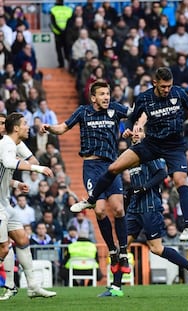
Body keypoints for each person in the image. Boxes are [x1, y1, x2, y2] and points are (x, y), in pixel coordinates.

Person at [70, 67, 188, 242]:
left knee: (181, 181)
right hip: (151, 144)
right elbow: (132, 117)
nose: (167, 90)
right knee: (114, 167)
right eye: (164, 86)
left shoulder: (178, 93)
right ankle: (91, 199)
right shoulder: (144, 98)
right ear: (155, 83)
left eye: (169, 86)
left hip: (174, 147)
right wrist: (128, 129)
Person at [40, 81, 132, 277]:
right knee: (99, 210)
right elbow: (63, 128)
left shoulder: (115, 109)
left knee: (118, 208)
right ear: (93, 98)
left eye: (107, 93)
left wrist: (131, 128)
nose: (106, 97)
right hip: (92, 167)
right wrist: (48, 128)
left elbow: (133, 114)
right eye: (102, 94)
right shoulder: (83, 112)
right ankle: (112, 250)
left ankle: (123, 250)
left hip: (112, 166)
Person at [100, 125, 188, 297]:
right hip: (134, 209)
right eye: (134, 131)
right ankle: (116, 288)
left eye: (140, 131)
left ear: (145, 135)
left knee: (156, 249)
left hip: (150, 207)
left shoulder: (148, 152)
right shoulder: (130, 155)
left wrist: (142, 188)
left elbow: (162, 173)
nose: (136, 134)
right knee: (122, 247)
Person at [0, 112, 56, 299]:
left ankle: (32, 286)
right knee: (3, 248)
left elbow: (30, 160)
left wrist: (16, 183)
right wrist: (37, 169)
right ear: (15, 127)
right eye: (25, 123)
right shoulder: (5, 144)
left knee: (22, 240)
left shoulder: (13, 143)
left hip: (4, 202)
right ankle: (10, 285)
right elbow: (10, 162)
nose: (28, 126)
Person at [50, 0, 72, 68]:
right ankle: (69, 65)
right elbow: (70, 21)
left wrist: (60, 30)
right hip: (66, 33)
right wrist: (65, 30)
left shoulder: (53, 9)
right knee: (67, 49)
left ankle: (61, 65)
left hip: (58, 33)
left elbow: (53, 22)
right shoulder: (69, 9)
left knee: (59, 50)